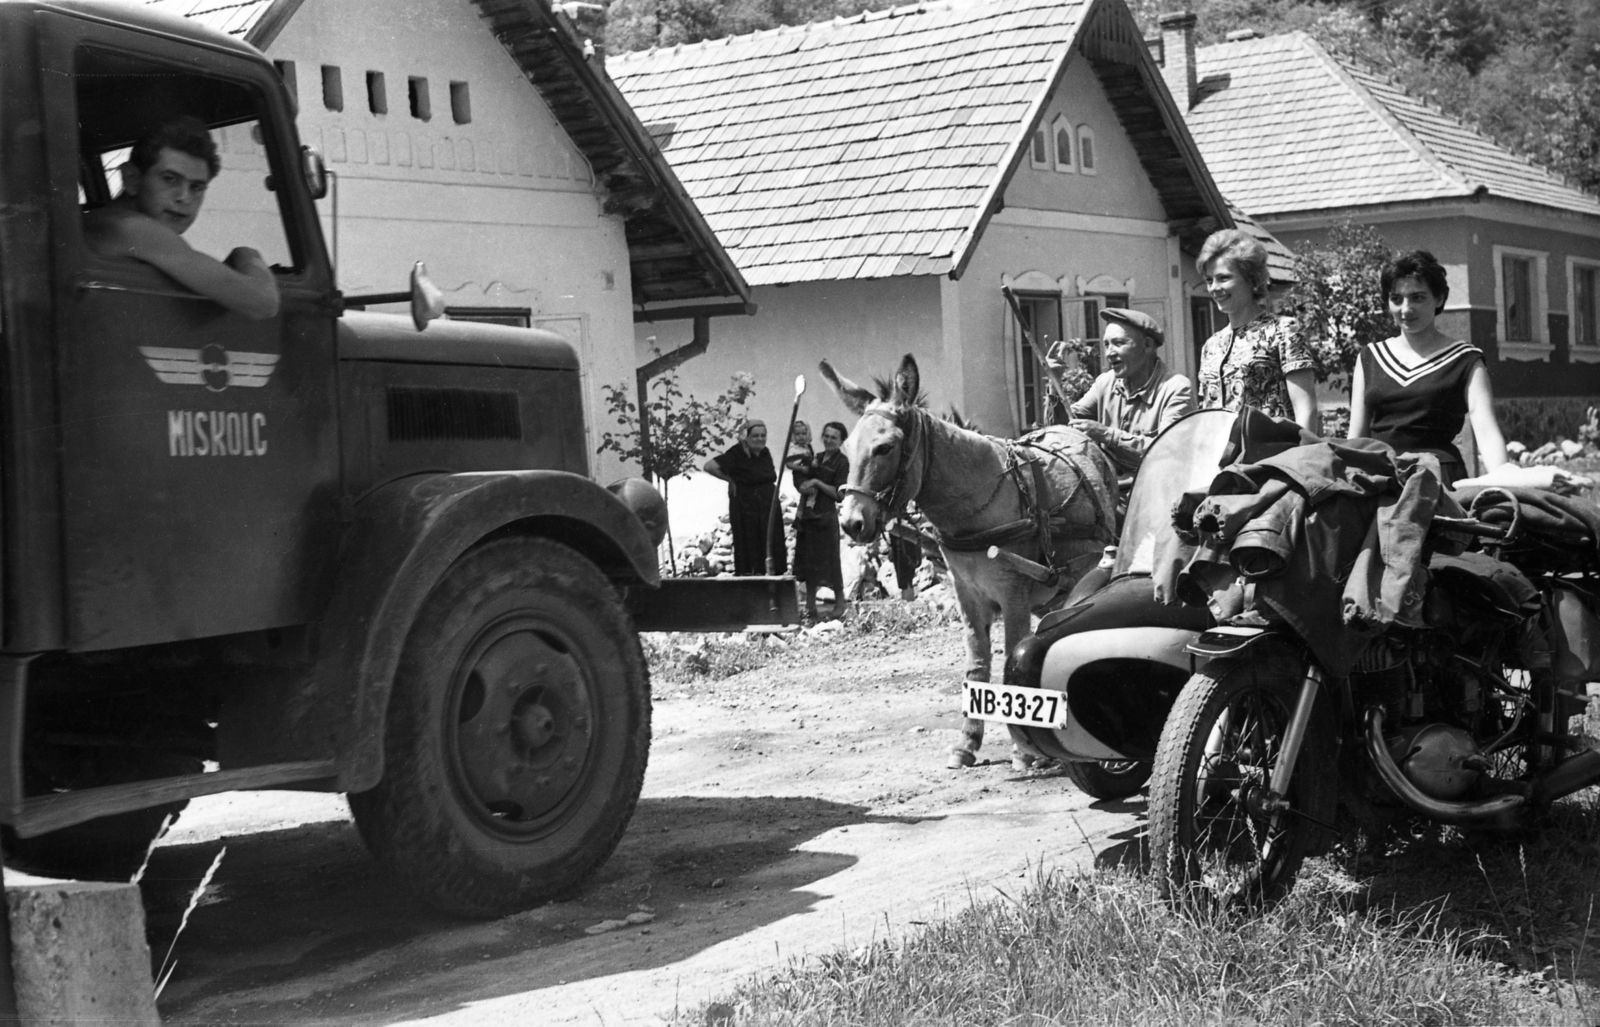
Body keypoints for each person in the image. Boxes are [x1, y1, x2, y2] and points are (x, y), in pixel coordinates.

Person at [83, 116, 280, 320]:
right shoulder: (134, 229)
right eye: (170, 179)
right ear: (132, 179)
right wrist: (246, 254)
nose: (184, 197)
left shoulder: (106, 221)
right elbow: (263, 302)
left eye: (196, 187)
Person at [1348, 250, 1509, 486]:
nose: (1405, 308)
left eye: (1418, 297)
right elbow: (1356, 437)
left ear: (1440, 298)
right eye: (1396, 298)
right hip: (1381, 478)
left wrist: (1505, 482)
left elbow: (1486, 431)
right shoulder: (1369, 357)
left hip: (1437, 480)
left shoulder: (1465, 359)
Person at [1053, 307, 1193, 485]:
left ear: (1148, 345)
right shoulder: (1106, 383)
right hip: (1108, 496)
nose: (1109, 353)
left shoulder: (1176, 388)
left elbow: (1166, 453)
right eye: (1106, 344)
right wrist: (1054, 382)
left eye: (1119, 343)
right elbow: (1064, 426)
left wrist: (1106, 435)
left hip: (1155, 494)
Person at [1195, 229, 1318, 432]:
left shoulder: (1284, 330)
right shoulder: (1211, 345)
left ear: (1251, 279)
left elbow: (1306, 409)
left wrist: (1300, 459)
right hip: (1223, 461)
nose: (1214, 288)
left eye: (1223, 278)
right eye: (1209, 280)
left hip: (1274, 457)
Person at [703, 420, 784, 575]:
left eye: (763, 435)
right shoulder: (737, 453)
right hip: (747, 508)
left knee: (772, 542)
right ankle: (753, 578)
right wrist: (730, 480)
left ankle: (772, 577)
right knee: (750, 544)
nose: (760, 439)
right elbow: (709, 466)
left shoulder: (765, 453)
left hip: (768, 506)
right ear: (745, 437)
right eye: (755, 436)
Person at [792, 421, 850, 620]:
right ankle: (810, 606)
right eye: (826, 436)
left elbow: (839, 494)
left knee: (831, 562)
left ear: (842, 441)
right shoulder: (815, 457)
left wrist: (817, 482)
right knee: (809, 562)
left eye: (833, 437)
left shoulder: (842, 462)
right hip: (808, 517)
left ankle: (840, 603)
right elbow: (800, 475)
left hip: (826, 517)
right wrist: (801, 486)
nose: (828, 440)